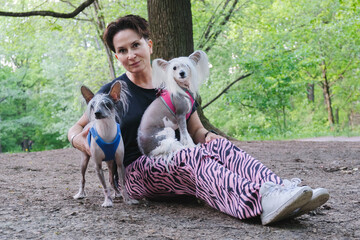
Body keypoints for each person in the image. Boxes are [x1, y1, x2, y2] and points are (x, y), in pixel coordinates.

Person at [68, 15, 329, 225]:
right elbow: (76, 129)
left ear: (148, 45)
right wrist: (87, 145)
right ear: (117, 56)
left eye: (135, 45)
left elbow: (196, 130)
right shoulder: (110, 92)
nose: (130, 54)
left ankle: (280, 190)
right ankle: (259, 201)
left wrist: (209, 137)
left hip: (173, 158)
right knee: (189, 157)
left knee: (220, 146)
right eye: (122, 50)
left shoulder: (174, 83)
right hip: (135, 173)